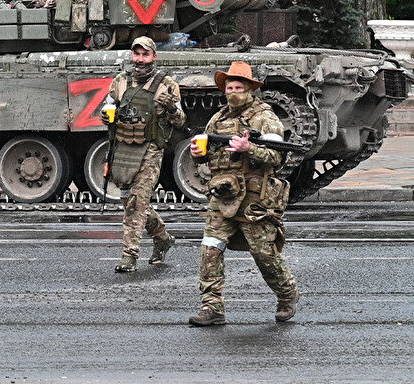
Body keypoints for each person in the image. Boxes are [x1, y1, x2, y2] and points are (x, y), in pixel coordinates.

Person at [188, 61, 298, 326]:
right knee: (210, 248)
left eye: (238, 87)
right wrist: (199, 155)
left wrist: (249, 148)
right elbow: (210, 156)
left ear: (250, 89)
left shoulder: (265, 117)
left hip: (254, 197)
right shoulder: (218, 118)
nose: (233, 92)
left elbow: (277, 157)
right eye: (229, 87)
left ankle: (287, 293)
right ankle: (212, 307)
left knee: (263, 254)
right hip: (223, 194)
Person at [99, 36, 184, 273]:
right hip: (123, 147)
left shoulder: (167, 85)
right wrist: (105, 116)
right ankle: (163, 238)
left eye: (145, 54)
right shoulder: (120, 82)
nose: (140, 59)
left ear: (154, 56)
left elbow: (181, 121)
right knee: (129, 200)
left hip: (151, 149)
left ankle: (130, 256)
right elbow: (107, 108)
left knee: (136, 202)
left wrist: (170, 107)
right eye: (137, 54)